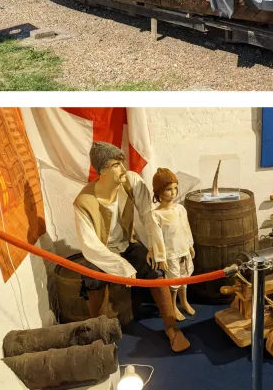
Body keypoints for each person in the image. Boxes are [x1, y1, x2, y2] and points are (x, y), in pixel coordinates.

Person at [73, 142, 190, 352]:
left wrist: (155, 247)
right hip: (103, 253)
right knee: (91, 280)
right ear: (102, 170)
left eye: (122, 163)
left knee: (156, 271)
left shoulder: (130, 182)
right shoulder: (84, 202)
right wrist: (123, 269)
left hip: (128, 244)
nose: (123, 169)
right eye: (116, 165)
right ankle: (97, 333)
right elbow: (89, 246)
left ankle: (172, 328)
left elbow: (148, 214)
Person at [146, 168, 196, 321]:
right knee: (174, 280)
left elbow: (186, 228)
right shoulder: (156, 215)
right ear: (159, 192)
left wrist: (190, 245)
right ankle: (173, 306)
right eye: (168, 189)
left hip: (183, 250)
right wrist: (161, 257)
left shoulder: (180, 209)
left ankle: (185, 301)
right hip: (171, 253)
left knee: (185, 277)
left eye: (175, 188)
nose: (173, 192)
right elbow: (157, 238)